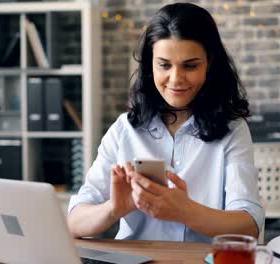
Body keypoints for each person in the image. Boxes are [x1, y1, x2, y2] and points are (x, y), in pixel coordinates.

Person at [67, 2, 263, 242]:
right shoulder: (124, 129)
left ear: (210, 63)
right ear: (150, 65)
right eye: (164, 65)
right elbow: (74, 221)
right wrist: (114, 209)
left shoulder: (233, 130)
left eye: (190, 65)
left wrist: (186, 212)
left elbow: (250, 224)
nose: (176, 79)